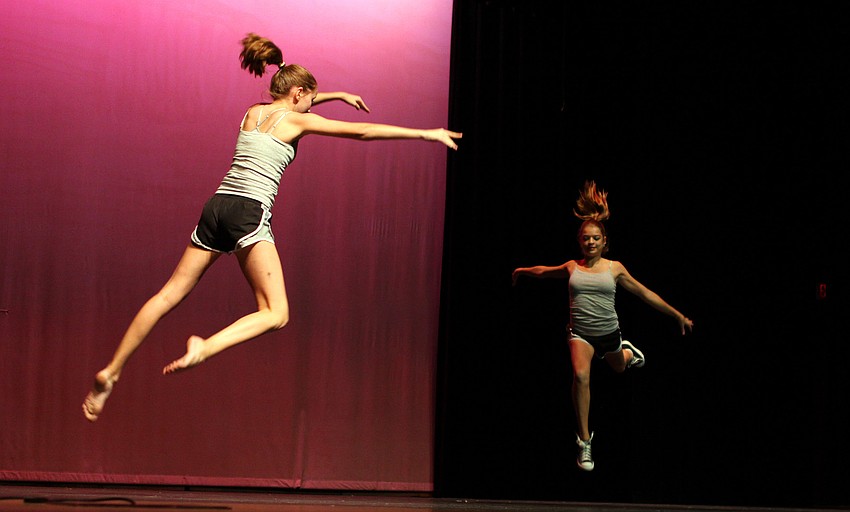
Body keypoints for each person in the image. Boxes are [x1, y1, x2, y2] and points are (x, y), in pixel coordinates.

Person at [82, 33, 462, 422]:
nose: (315, 106)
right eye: (312, 99)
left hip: (217, 207)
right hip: (249, 212)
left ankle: (111, 372)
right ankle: (205, 347)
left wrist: (336, 94)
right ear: (298, 94)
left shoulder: (252, 112)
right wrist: (425, 133)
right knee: (275, 313)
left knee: (167, 296)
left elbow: (293, 100)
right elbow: (361, 132)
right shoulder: (298, 119)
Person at [511, 180, 692, 471]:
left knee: (619, 366)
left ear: (604, 242)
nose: (591, 242)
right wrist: (523, 271)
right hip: (580, 334)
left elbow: (645, 293)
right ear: (579, 240)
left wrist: (677, 315)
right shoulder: (573, 267)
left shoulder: (614, 268)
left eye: (596, 238)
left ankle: (629, 353)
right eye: (586, 238)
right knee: (581, 376)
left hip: (609, 334)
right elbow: (545, 272)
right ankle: (584, 441)